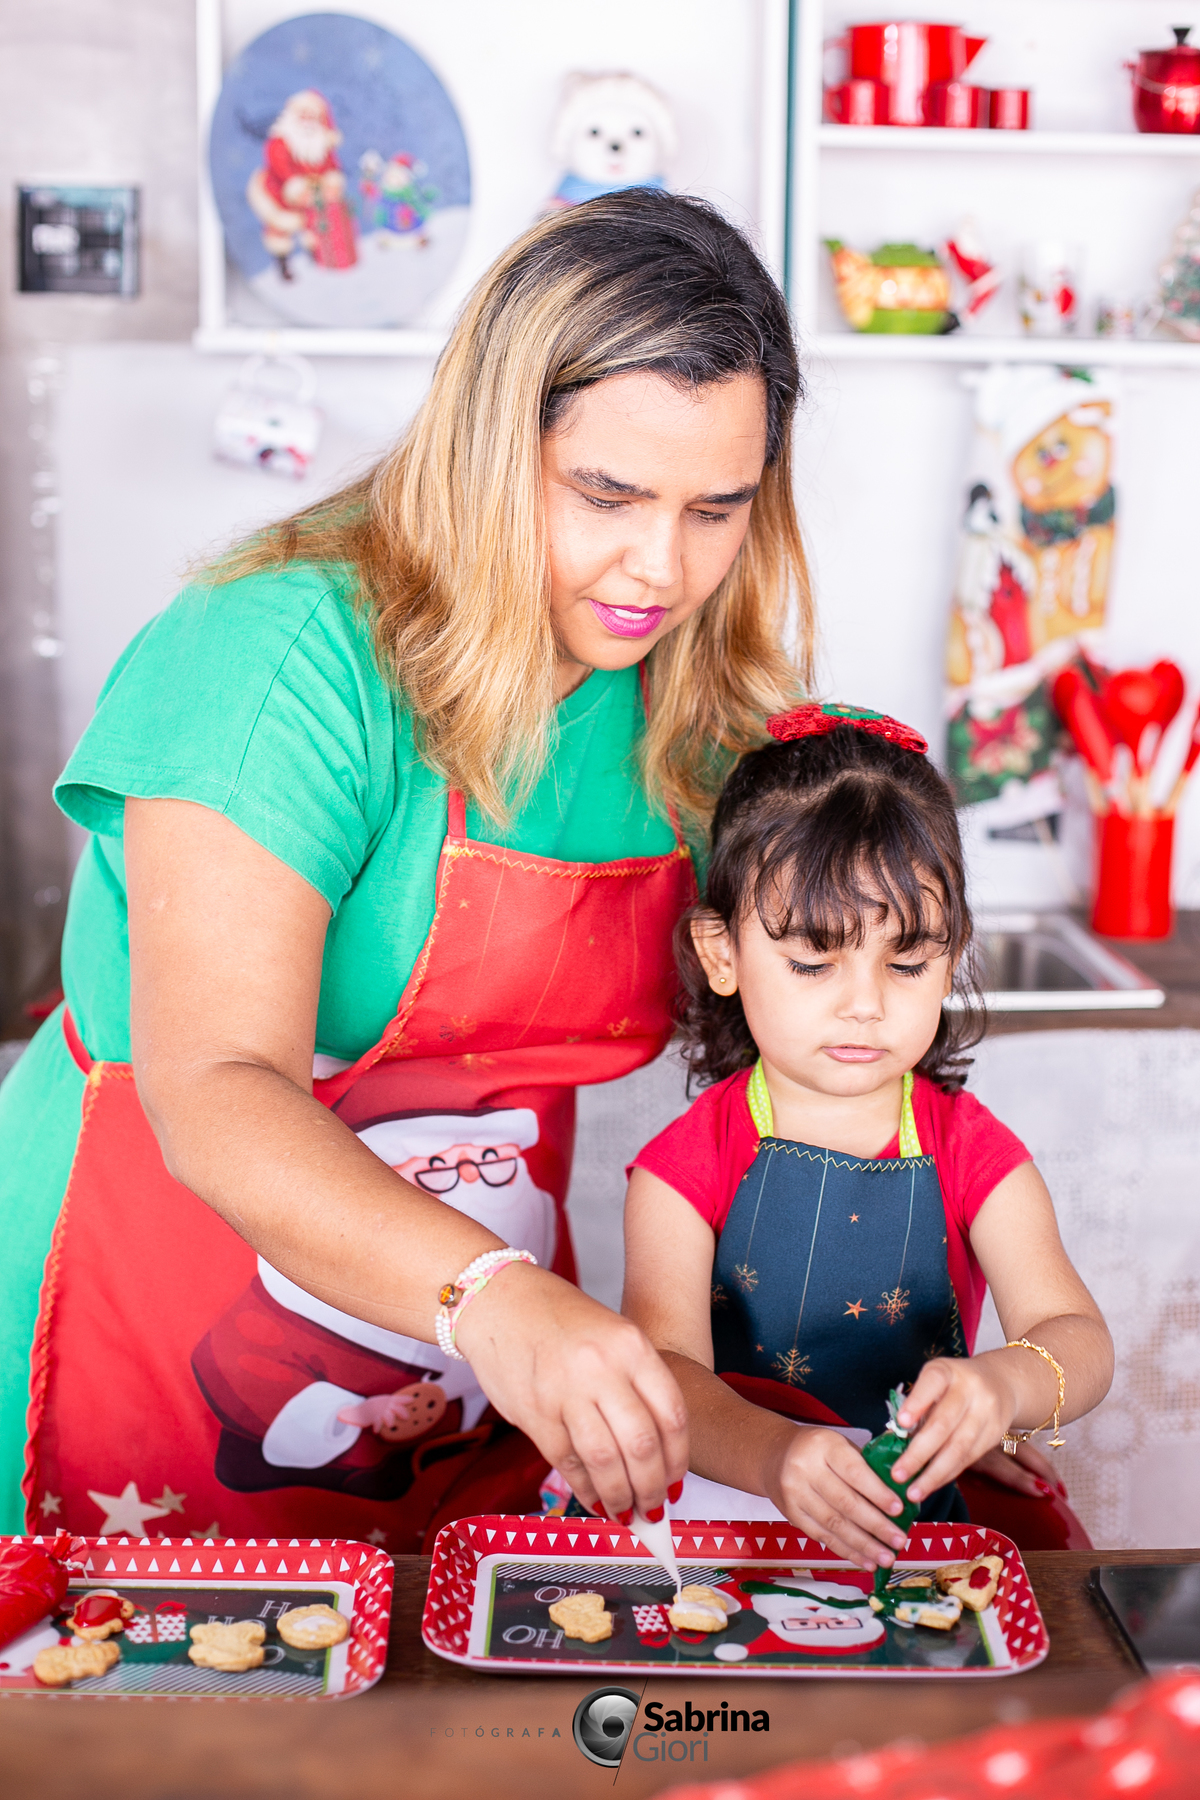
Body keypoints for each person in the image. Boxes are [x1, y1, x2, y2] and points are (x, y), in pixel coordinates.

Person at [0, 190, 812, 1552]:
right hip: (161, 1328)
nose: (659, 568)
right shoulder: (279, 655)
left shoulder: (692, 701)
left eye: (714, 510)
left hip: (476, 1361)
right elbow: (217, 1086)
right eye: (605, 495)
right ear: (489, 446)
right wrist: (490, 1296)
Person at [622, 704, 1113, 1567]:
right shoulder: (680, 1170)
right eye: (813, 962)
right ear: (722, 953)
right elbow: (667, 1374)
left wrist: (1002, 1391)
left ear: (952, 954)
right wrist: (774, 1458)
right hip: (725, 1510)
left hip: (912, 1511)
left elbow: (1078, 1336)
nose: (865, 1004)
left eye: (908, 961)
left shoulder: (974, 1152)